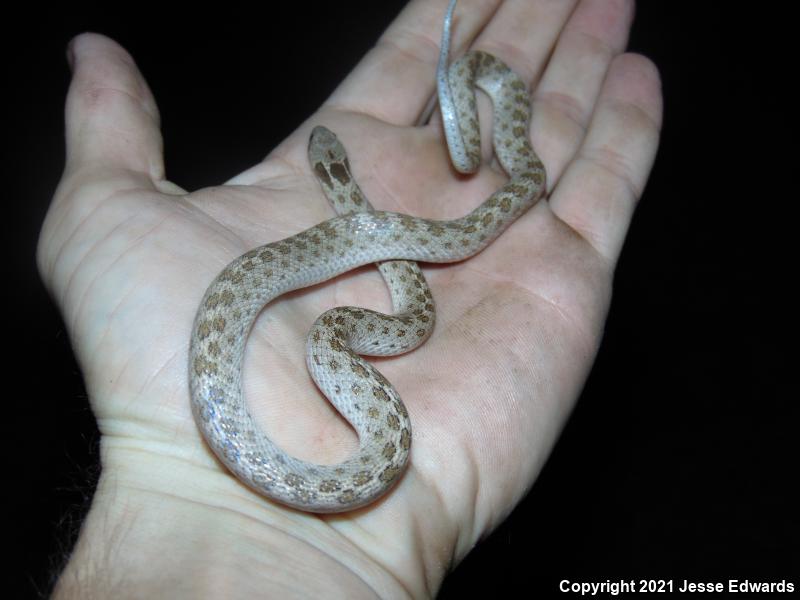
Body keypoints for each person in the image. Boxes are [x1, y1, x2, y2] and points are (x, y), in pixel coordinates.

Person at [38, 0, 661, 596]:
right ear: (339, 174)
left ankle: (481, 107)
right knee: (341, 315)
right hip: (373, 275)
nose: (326, 154)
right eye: (331, 159)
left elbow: (412, 301)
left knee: (362, 315)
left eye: (327, 158)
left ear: (329, 172)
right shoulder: (340, 263)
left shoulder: (377, 288)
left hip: (402, 257)